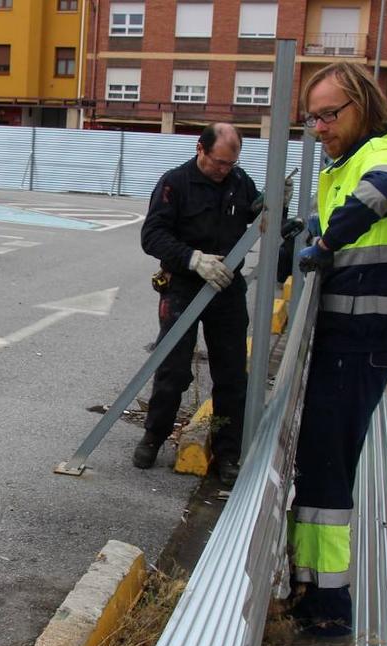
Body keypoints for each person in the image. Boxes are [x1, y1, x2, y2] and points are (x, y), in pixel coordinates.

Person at [288, 62, 387, 646]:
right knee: (320, 466)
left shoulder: (385, 155)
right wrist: (310, 230)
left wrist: (325, 242)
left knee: (325, 474)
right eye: (312, 116)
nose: (318, 127)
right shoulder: (343, 163)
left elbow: (384, 190)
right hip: (347, 338)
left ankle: (327, 617)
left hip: (357, 342)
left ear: (362, 105)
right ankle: (311, 595)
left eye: (327, 114)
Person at [135, 123, 261, 486]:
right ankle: (154, 436)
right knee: (172, 369)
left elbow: (260, 221)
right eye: (218, 162)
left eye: (230, 163)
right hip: (184, 286)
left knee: (232, 374)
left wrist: (275, 206)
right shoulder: (176, 183)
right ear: (200, 149)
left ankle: (227, 453)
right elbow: (152, 236)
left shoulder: (240, 182)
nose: (223, 170)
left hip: (225, 288)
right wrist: (193, 259)